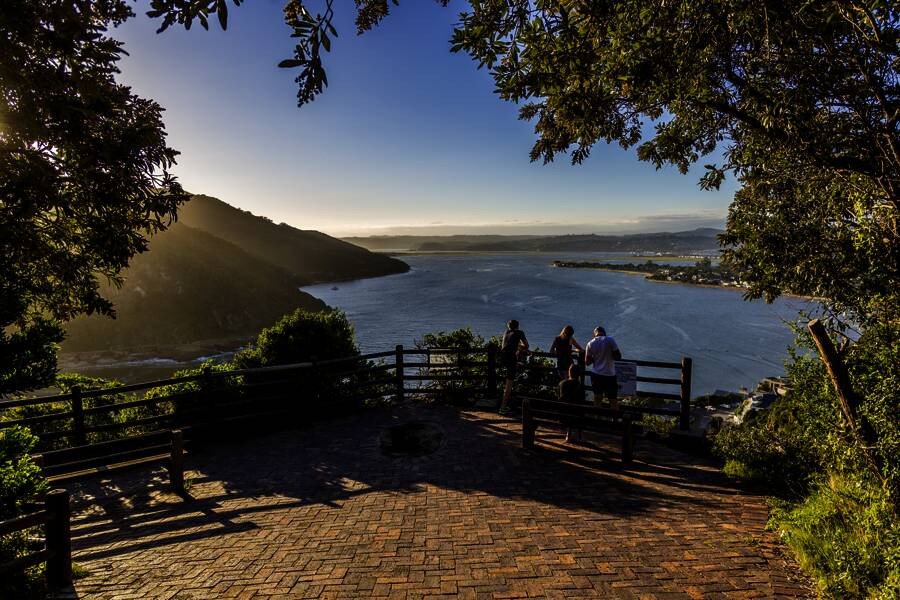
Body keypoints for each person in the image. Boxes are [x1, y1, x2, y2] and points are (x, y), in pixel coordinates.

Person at [584, 326, 622, 409]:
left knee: (597, 398)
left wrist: (596, 358)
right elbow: (618, 356)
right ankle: (614, 416)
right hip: (609, 375)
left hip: (596, 375)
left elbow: (587, 362)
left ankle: (596, 416)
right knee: (613, 400)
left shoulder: (590, 343)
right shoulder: (610, 340)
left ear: (594, 334)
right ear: (604, 333)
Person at [499, 319, 528, 414]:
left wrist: (517, 347)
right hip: (511, 359)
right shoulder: (519, 332)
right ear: (517, 326)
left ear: (508, 326)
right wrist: (520, 349)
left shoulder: (506, 332)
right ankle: (503, 407)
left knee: (508, 381)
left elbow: (506, 346)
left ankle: (504, 405)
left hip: (503, 358)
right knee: (509, 384)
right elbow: (526, 345)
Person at [558, 363, 585, 443]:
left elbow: (559, 399)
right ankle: (579, 437)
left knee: (569, 409)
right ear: (579, 374)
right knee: (579, 411)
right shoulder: (580, 386)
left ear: (569, 372)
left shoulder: (561, 383)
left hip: (562, 415)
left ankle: (568, 434)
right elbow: (582, 401)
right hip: (576, 416)